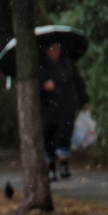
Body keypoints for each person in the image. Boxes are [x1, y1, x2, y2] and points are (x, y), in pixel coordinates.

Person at [39, 40, 89, 181]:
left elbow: (78, 82)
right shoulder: (42, 66)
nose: (55, 52)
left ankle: (64, 166)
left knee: (64, 135)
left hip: (66, 106)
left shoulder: (67, 63)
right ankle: (51, 169)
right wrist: (43, 86)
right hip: (48, 108)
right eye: (52, 49)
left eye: (57, 48)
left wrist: (84, 100)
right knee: (49, 137)